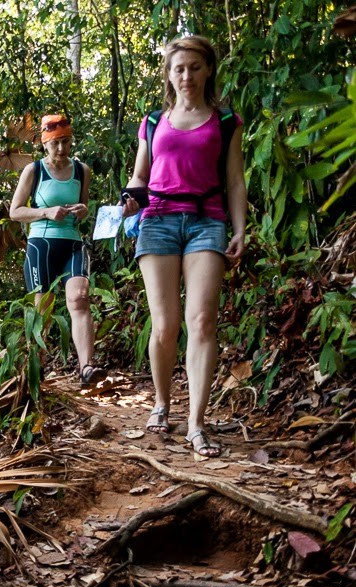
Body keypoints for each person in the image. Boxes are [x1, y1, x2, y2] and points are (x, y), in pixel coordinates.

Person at [123, 35, 246, 457]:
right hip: (156, 221)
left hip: (206, 222)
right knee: (165, 324)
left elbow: (234, 181)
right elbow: (141, 176)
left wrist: (240, 228)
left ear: (208, 69)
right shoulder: (154, 122)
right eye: (178, 68)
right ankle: (161, 403)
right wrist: (128, 199)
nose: (186, 75)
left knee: (202, 321)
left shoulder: (225, 120)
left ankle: (196, 423)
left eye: (194, 67)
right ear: (168, 74)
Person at [9, 114, 106, 386]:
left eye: (66, 142)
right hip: (41, 245)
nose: (62, 149)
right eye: (56, 144)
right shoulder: (34, 171)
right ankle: (34, 374)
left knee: (79, 298)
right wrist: (46, 212)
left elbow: (83, 208)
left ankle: (87, 368)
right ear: (44, 144)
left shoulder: (82, 170)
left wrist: (83, 210)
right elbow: (15, 212)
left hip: (73, 243)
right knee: (43, 312)